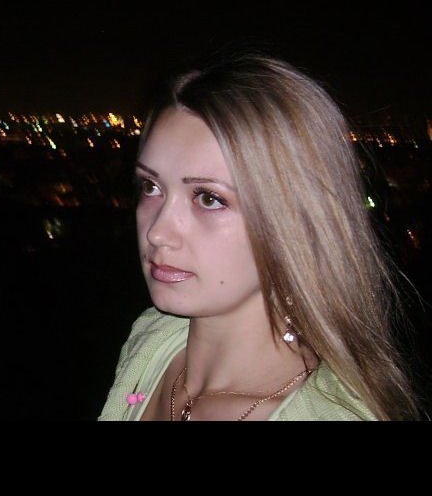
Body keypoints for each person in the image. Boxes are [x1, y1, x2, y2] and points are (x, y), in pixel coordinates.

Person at [98, 51, 421, 421]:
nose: (157, 232)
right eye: (151, 187)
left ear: (295, 220)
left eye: (209, 198)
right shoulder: (152, 340)